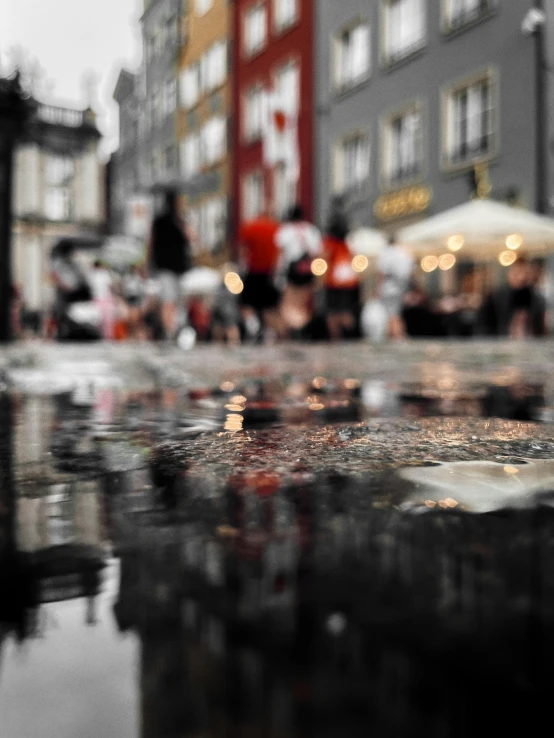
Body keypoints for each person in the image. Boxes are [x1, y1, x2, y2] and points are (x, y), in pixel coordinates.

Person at [146, 191, 191, 339]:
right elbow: (190, 239)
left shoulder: (163, 222)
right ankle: (170, 330)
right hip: (173, 266)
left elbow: (150, 243)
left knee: (171, 299)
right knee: (170, 300)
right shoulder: (177, 222)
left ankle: (171, 329)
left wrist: (149, 263)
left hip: (169, 266)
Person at [274, 204, 323, 339]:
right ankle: (303, 326)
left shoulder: (286, 230)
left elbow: (281, 255)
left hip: (292, 270)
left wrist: (277, 275)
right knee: (301, 304)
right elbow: (317, 254)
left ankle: (297, 327)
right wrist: (318, 276)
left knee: (287, 305)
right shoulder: (312, 230)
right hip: (307, 270)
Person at [238, 209, 283, 341]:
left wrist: (242, 267)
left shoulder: (249, 227)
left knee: (246, 303)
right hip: (270, 272)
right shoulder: (276, 228)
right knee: (269, 307)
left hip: (253, 270)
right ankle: (270, 334)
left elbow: (243, 250)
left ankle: (253, 326)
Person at [322, 212, 360, 340]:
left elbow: (324, 259)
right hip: (350, 283)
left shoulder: (329, 243)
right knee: (346, 312)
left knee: (332, 313)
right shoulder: (348, 244)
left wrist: (321, 279)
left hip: (333, 283)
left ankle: (336, 339)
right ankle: (350, 337)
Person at [376, 235, 414, 340]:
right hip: (400, 287)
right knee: (396, 312)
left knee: (391, 314)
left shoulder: (385, 253)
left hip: (388, 287)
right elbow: (410, 272)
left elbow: (381, 272)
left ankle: (395, 335)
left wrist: (378, 288)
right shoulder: (402, 253)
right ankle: (398, 334)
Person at [88, 260, 115, 340]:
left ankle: (102, 335)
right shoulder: (104, 274)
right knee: (106, 320)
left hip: (98, 299)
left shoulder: (92, 274)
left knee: (99, 319)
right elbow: (110, 286)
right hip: (103, 299)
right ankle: (107, 336)